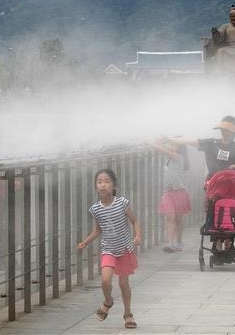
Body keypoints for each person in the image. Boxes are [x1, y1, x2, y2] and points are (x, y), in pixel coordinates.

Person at [168, 115, 235, 250]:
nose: (224, 133)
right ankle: (216, 240)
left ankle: (228, 240)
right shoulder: (212, 143)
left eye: (228, 130)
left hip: (231, 186)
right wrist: (170, 139)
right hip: (213, 184)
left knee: (230, 210)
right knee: (213, 210)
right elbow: (192, 141)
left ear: (233, 133)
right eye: (223, 130)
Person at [77, 169, 142, 329]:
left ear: (114, 185)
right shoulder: (95, 209)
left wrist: (138, 235)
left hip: (125, 248)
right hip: (108, 249)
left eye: (107, 181)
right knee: (105, 281)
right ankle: (108, 301)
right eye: (99, 182)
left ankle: (128, 314)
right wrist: (85, 242)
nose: (103, 185)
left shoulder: (122, 203)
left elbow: (134, 221)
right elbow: (98, 231)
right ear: (95, 187)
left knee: (123, 283)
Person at [151, 138, 191, 252]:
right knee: (169, 217)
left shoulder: (178, 157)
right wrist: (161, 141)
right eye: (170, 144)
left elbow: (161, 149)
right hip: (168, 192)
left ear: (180, 147)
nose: (171, 146)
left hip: (179, 192)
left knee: (178, 219)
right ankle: (169, 243)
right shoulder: (168, 159)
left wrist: (152, 143)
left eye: (174, 144)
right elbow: (161, 149)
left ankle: (179, 241)